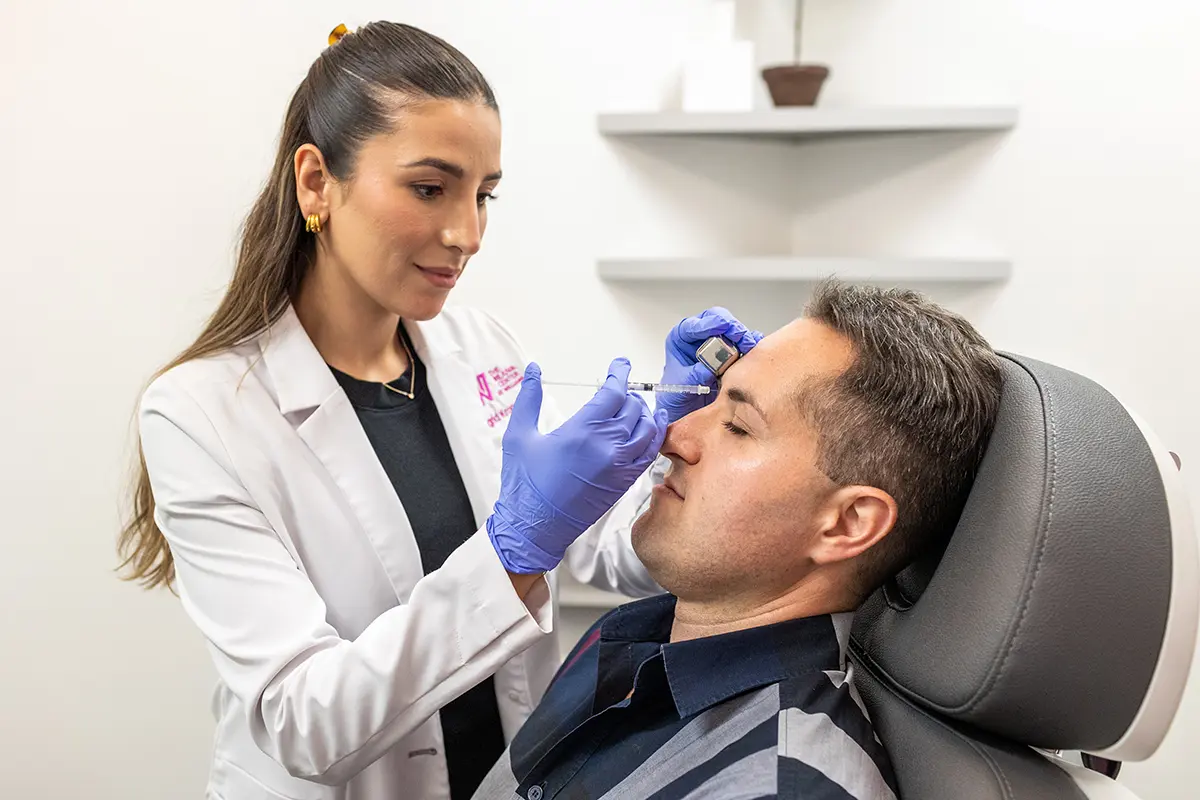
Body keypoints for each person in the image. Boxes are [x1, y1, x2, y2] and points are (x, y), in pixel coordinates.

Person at [116, 21, 761, 800]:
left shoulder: (480, 348)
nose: (468, 234)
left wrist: (675, 439)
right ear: (317, 181)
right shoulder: (200, 415)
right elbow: (302, 724)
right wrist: (516, 552)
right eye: (430, 188)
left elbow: (618, 555)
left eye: (484, 195)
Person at [475, 280, 1005, 800]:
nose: (672, 436)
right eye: (709, 401)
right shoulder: (626, 642)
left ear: (848, 523)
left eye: (739, 426)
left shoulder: (782, 785)